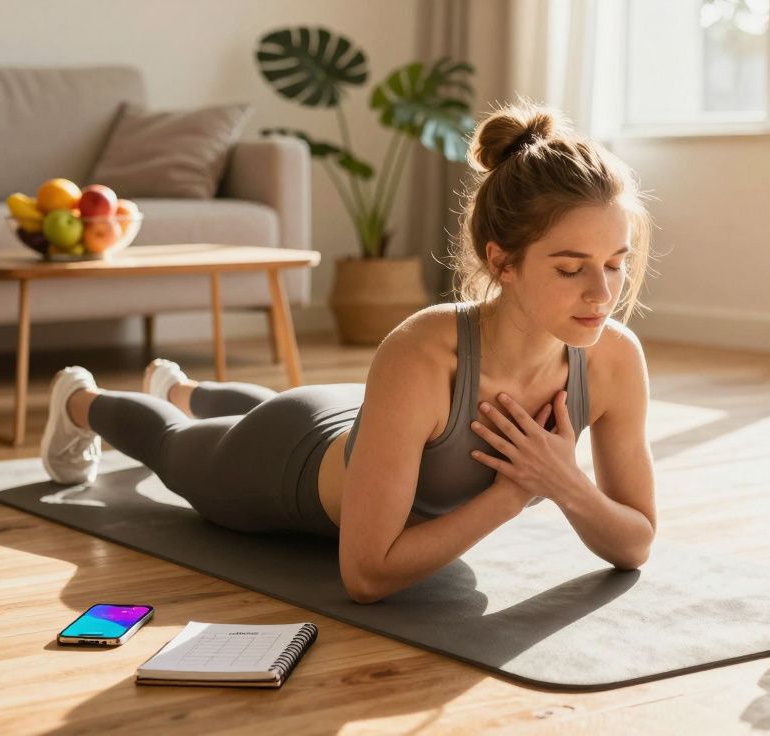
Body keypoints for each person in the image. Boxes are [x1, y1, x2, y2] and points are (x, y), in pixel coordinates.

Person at [40, 101, 659, 604]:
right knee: (175, 448)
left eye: (614, 264)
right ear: (503, 261)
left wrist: (565, 482)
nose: (602, 293)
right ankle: (81, 401)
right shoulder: (423, 353)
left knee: (245, 411)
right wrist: (511, 494)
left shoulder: (614, 359)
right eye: (572, 268)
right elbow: (366, 575)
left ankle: (183, 386)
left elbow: (636, 542)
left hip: (368, 422)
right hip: (288, 456)